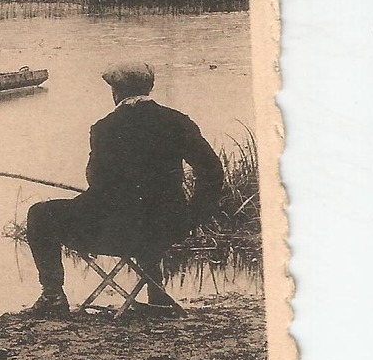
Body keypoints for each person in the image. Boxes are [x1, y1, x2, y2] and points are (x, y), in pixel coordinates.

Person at [21, 62, 223, 318]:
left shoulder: (105, 128)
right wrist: (192, 216)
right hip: (167, 227)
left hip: (117, 232)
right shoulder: (177, 121)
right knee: (148, 209)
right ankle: (156, 293)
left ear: (117, 92)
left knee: (40, 214)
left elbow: (96, 181)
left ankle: (52, 295)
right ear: (150, 87)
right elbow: (213, 171)